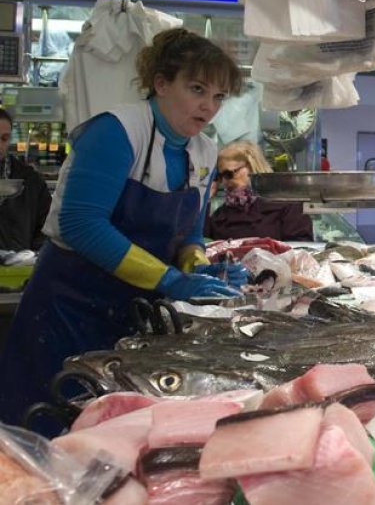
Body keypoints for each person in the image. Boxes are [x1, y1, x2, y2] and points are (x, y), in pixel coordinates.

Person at [0, 28, 247, 429]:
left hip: (133, 315)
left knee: (116, 435)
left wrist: (197, 267)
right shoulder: (116, 131)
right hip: (69, 307)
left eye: (219, 96)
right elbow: (81, 224)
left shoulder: (203, 150)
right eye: (197, 88)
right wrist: (170, 279)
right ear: (161, 84)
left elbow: (190, 235)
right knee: (47, 433)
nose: (208, 106)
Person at [205, 140, 314, 241]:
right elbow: (202, 247)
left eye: (228, 174)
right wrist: (205, 200)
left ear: (252, 166)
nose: (224, 182)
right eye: (220, 176)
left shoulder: (287, 204)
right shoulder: (221, 215)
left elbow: (301, 247)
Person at [0, 108, 51, 251]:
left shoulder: (30, 180)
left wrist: (30, 256)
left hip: (19, 269)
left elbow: (47, 227)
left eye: (4, 139)